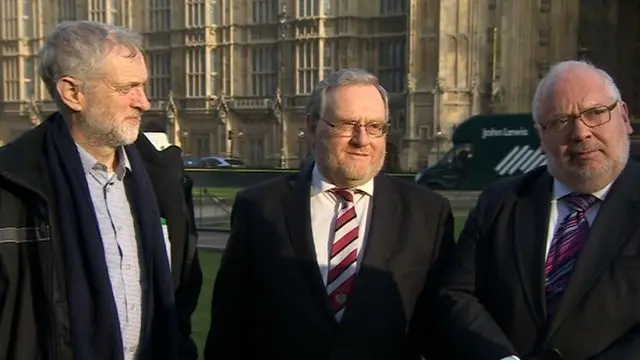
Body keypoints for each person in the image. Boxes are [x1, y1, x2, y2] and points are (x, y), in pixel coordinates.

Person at [204, 68, 455, 360]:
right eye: (348, 124)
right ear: (312, 127)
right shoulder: (259, 206)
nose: (362, 139)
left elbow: (441, 327)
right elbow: (230, 326)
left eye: (375, 126)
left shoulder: (428, 212)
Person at [0, 21, 202, 359]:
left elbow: (181, 299)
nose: (145, 102)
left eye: (144, 86)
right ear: (73, 94)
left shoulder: (162, 180)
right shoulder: (12, 187)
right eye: (128, 88)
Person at [437, 60, 640, 359]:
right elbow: (456, 294)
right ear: (541, 136)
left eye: (596, 113)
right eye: (560, 121)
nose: (580, 133)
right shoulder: (501, 202)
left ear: (623, 117)